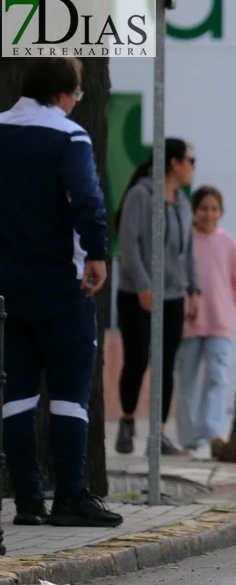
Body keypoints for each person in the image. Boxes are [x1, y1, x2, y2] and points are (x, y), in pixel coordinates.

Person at [0, 58, 123, 527]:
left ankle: (28, 500)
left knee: (17, 396)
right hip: (61, 285)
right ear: (63, 94)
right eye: (78, 94)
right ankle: (71, 496)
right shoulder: (69, 136)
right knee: (70, 394)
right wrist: (96, 254)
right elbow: (86, 200)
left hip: (7, 290)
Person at [115, 138, 200, 456]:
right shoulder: (141, 195)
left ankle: (160, 434)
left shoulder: (181, 202)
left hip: (173, 295)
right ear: (175, 163)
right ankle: (126, 422)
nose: (193, 167)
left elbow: (187, 252)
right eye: (191, 160)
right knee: (137, 359)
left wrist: (194, 290)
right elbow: (129, 244)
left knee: (165, 364)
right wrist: (143, 286)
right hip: (137, 294)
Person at [175, 186, 236, 459]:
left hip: (220, 322)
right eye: (204, 208)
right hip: (190, 321)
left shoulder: (227, 243)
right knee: (187, 381)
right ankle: (189, 438)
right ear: (194, 211)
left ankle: (212, 433)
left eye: (214, 209)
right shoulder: (185, 241)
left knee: (217, 378)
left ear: (221, 212)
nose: (209, 214)